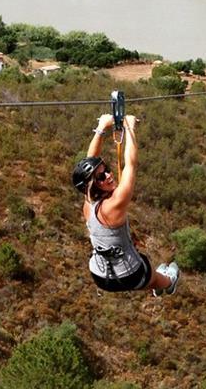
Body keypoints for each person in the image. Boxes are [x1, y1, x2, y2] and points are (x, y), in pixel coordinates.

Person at [72, 113, 179, 296]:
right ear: (93, 185)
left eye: (106, 170)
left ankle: (154, 285)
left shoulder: (88, 202)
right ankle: (167, 283)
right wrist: (130, 127)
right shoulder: (115, 203)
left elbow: (91, 160)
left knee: (139, 278)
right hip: (130, 273)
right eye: (101, 177)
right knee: (154, 276)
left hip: (100, 276)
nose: (108, 175)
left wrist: (101, 129)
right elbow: (131, 164)